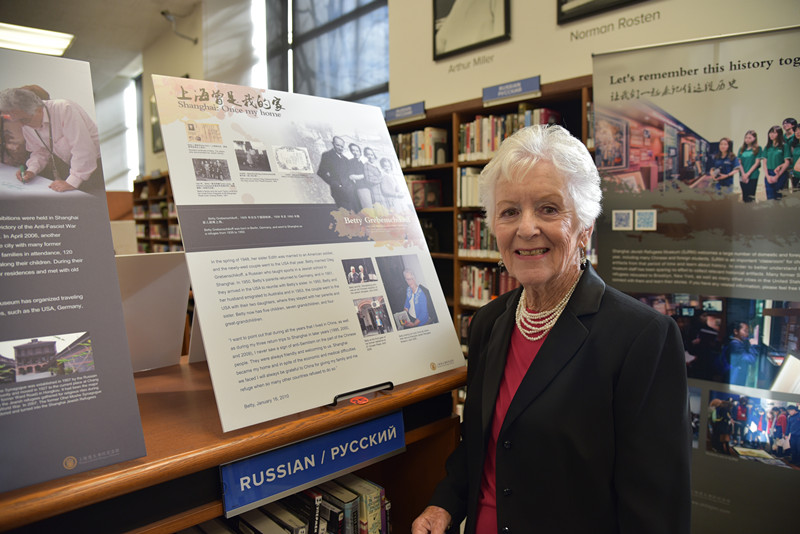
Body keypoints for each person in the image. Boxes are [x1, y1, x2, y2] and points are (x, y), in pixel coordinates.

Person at [411, 125, 690, 534]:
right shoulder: (489, 322)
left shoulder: (642, 338)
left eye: (548, 208)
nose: (526, 228)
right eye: (509, 212)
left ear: (585, 227)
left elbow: (656, 511)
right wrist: (444, 504)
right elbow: (480, 445)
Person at [0, 87, 104, 193]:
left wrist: (72, 182)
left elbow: (83, 150)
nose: (22, 125)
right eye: (16, 121)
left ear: (38, 109)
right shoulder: (26, 121)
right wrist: (31, 170)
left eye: (24, 120)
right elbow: (39, 151)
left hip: (100, 165)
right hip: (76, 166)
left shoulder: (64, 109)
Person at [317, 135, 357, 211]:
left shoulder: (345, 159)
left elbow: (349, 175)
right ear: (333, 144)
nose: (340, 148)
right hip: (339, 191)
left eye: (342, 146)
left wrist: (352, 187)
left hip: (350, 192)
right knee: (344, 213)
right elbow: (321, 172)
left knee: (353, 213)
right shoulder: (327, 155)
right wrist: (334, 183)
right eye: (337, 145)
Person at [759, 125, 791, 200]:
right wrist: (767, 176)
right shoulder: (767, 147)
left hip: (780, 174)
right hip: (769, 174)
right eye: (770, 132)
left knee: (778, 197)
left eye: (774, 133)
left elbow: (787, 163)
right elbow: (764, 163)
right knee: (770, 198)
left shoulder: (784, 146)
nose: (771, 134)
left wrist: (777, 176)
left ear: (779, 134)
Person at [727, 322, 758, 387]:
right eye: (745, 331)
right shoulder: (735, 344)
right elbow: (750, 359)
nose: (747, 334)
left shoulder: (738, 343)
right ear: (736, 331)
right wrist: (753, 346)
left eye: (748, 332)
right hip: (735, 379)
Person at [736, 130, 761, 202]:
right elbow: (739, 163)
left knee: (751, 197)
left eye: (750, 138)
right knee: (744, 196)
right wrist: (743, 174)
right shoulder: (741, 149)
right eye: (746, 137)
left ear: (754, 138)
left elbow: (757, 163)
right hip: (742, 175)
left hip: (753, 175)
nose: (747, 139)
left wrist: (747, 174)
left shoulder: (758, 148)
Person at [347, 143, 371, 210]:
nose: (355, 152)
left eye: (357, 150)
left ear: (360, 152)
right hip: (361, 188)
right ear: (351, 152)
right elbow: (351, 177)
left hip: (368, 187)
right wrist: (365, 175)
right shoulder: (350, 162)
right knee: (368, 209)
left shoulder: (362, 162)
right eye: (353, 150)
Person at [788, 123, 800, 192]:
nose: (798, 132)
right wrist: (791, 173)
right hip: (795, 176)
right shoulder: (795, 145)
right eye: (796, 130)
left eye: (799, 130)